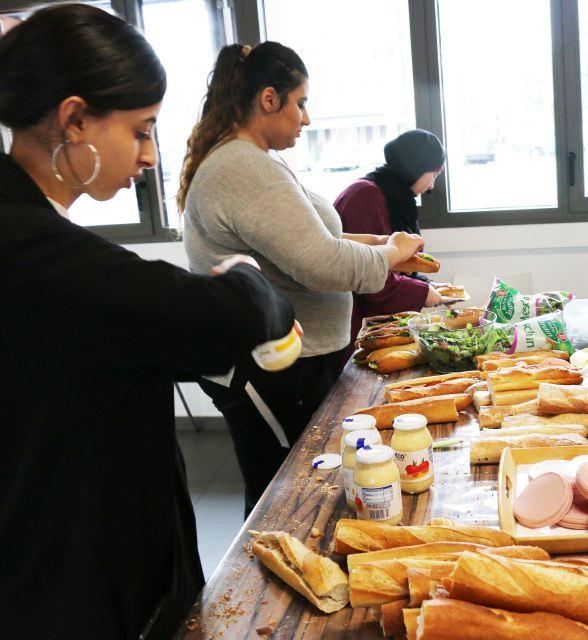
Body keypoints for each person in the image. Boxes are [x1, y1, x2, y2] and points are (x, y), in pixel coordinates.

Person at [0, 6, 296, 638]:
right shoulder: (30, 247)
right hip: (73, 573)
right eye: (140, 131)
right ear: (74, 119)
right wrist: (245, 274)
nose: (149, 156)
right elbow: (240, 312)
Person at [179, 42, 423, 516]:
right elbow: (321, 263)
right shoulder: (241, 166)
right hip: (270, 367)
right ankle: (269, 587)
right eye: (302, 102)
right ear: (269, 99)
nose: (306, 118)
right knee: (286, 494)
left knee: (308, 483)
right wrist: (390, 255)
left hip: (295, 363)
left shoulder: (254, 160)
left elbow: (307, 239)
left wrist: (378, 245)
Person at [335, 129, 446, 346]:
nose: (432, 186)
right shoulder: (366, 197)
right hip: (351, 323)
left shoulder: (390, 193)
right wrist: (421, 292)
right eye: (434, 174)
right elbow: (369, 273)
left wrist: (424, 282)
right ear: (416, 167)